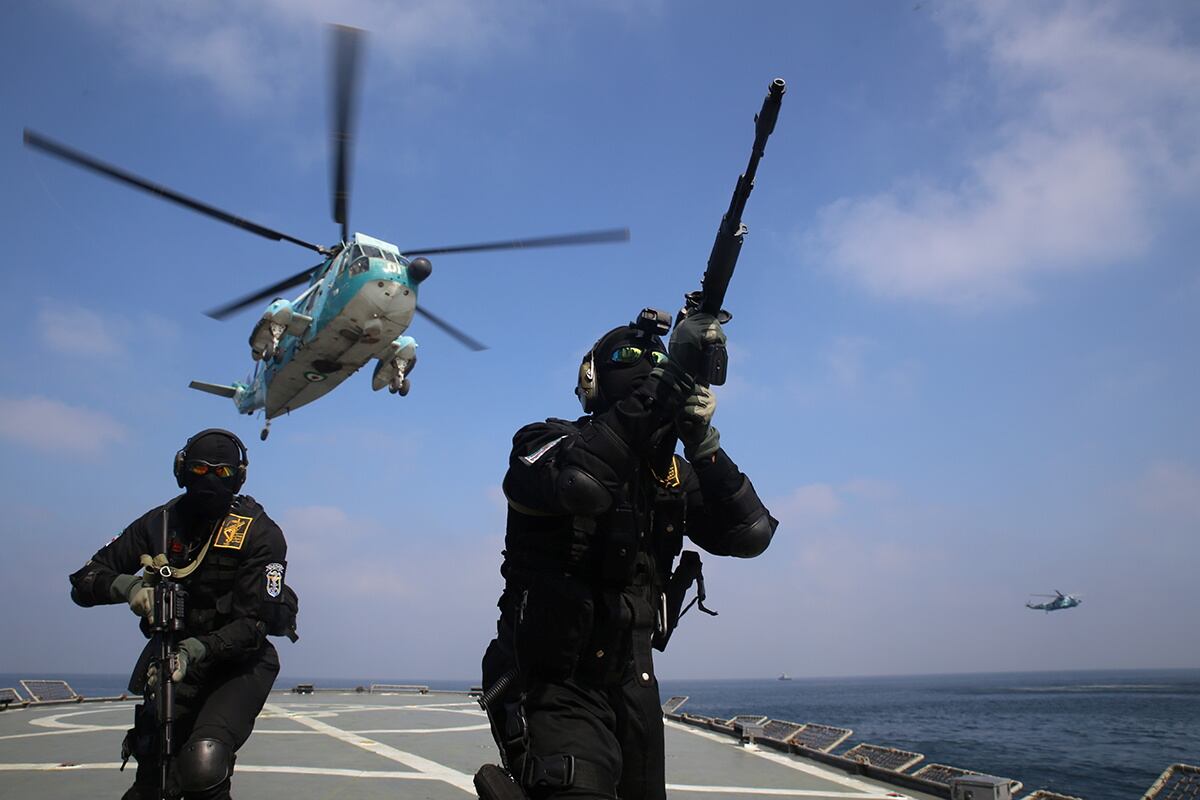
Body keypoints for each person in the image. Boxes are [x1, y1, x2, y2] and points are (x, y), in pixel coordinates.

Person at [477, 309, 777, 800]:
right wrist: (665, 383)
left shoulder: (671, 476)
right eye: (628, 356)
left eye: (658, 359)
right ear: (591, 379)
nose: (647, 364)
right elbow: (584, 482)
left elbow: (750, 533)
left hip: (634, 682)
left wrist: (703, 445)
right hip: (552, 680)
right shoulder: (546, 441)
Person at [68, 428, 297, 800]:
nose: (210, 479)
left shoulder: (260, 533)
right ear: (182, 471)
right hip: (171, 661)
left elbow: (254, 626)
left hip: (238, 665)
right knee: (155, 780)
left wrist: (195, 651)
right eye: (200, 469)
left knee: (204, 762)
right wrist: (128, 588)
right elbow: (84, 581)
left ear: (238, 477)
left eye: (222, 472)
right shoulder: (159, 524)